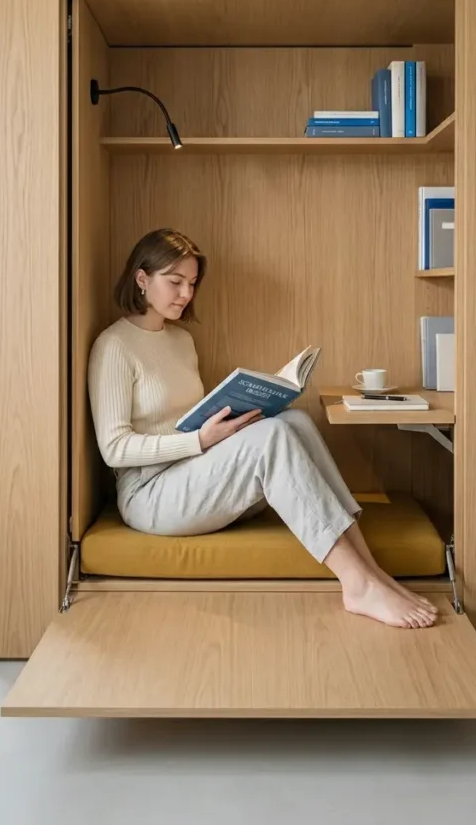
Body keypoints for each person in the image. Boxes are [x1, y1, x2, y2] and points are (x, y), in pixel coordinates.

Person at [88, 228, 437, 629]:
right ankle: (356, 584)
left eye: (192, 283)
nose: (185, 294)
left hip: (193, 475)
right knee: (272, 438)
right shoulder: (114, 347)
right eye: (175, 282)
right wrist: (200, 440)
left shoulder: (181, 341)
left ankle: (372, 573)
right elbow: (114, 449)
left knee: (293, 421)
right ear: (142, 279)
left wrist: (229, 425)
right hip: (150, 496)